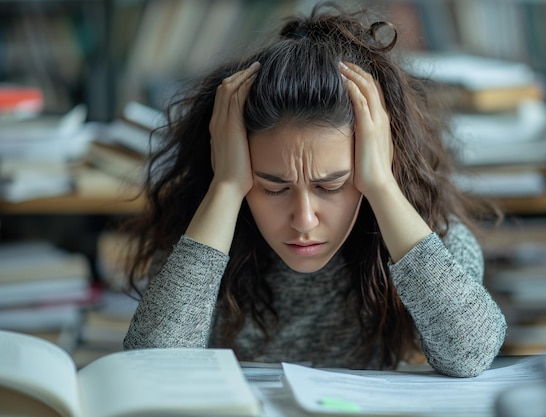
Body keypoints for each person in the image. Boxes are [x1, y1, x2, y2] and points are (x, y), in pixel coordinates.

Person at [122, 2, 507, 377]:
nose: (304, 220)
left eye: (331, 185)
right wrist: (225, 187)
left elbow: (470, 355)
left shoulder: (431, 240)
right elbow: (153, 369)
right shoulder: (202, 238)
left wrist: (382, 184)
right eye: (272, 188)